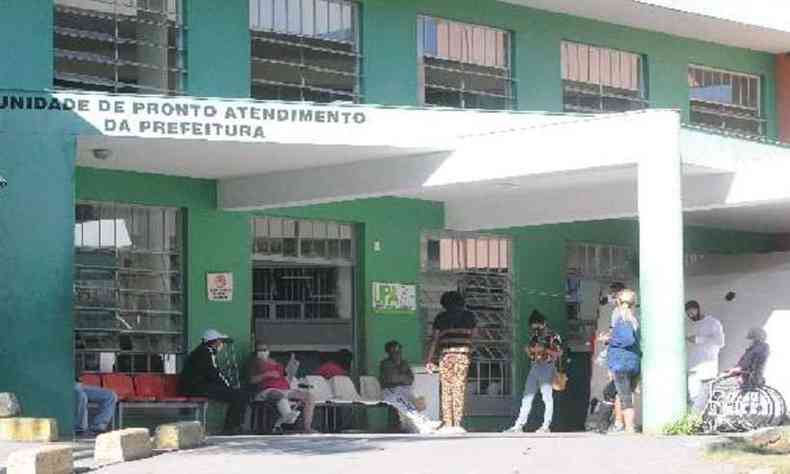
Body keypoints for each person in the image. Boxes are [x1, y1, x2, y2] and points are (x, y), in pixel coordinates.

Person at [179, 329, 251, 435]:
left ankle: (232, 427)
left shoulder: (200, 351)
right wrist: (228, 386)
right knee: (239, 395)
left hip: (195, 387)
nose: (221, 344)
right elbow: (215, 374)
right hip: (198, 388)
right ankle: (230, 428)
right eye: (219, 341)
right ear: (214, 342)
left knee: (237, 394)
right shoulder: (206, 353)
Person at [425, 291, 477, 434]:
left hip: (446, 356)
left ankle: (448, 423)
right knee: (459, 388)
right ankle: (458, 423)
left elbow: (434, 339)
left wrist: (429, 359)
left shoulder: (441, 317)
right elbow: (474, 336)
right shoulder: (469, 316)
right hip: (462, 356)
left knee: (447, 389)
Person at [505, 310, 563, 433]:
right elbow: (531, 352)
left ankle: (546, 425)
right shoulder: (535, 336)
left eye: (537, 326)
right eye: (533, 326)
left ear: (543, 323)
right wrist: (529, 350)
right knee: (527, 396)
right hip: (535, 366)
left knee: (547, 397)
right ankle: (518, 425)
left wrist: (545, 350)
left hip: (547, 367)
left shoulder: (553, 336)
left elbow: (559, 353)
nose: (535, 329)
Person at [597, 288, 641, 434]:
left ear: (619, 301)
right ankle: (604, 426)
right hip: (632, 362)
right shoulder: (634, 318)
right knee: (610, 392)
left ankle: (627, 427)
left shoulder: (622, 317)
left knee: (625, 396)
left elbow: (627, 339)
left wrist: (609, 339)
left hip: (621, 362)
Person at [250, 343, 316, 433]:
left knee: (309, 396)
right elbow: (252, 380)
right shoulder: (254, 362)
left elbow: (285, 378)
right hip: (267, 389)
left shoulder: (276, 362)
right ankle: (288, 416)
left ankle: (307, 427)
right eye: (260, 350)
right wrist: (267, 374)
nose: (263, 352)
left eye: (265, 350)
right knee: (278, 395)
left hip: (285, 388)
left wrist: (291, 370)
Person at [380, 340, 440, 434]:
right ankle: (423, 424)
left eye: (399, 351)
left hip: (404, 390)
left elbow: (410, 379)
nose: (397, 353)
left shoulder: (404, 363)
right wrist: (403, 376)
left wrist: (401, 376)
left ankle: (424, 423)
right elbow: (393, 379)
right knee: (406, 405)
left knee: (417, 402)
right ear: (389, 352)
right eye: (394, 351)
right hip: (390, 392)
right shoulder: (386, 363)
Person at [685, 300, 725, 413]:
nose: (690, 316)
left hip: (707, 365)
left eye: (692, 313)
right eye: (688, 314)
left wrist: (698, 339)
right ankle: (695, 422)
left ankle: (704, 421)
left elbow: (720, 342)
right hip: (693, 365)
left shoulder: (713, 322)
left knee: (705, 396)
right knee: (693, 396)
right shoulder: (690, 324)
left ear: (698, 309)